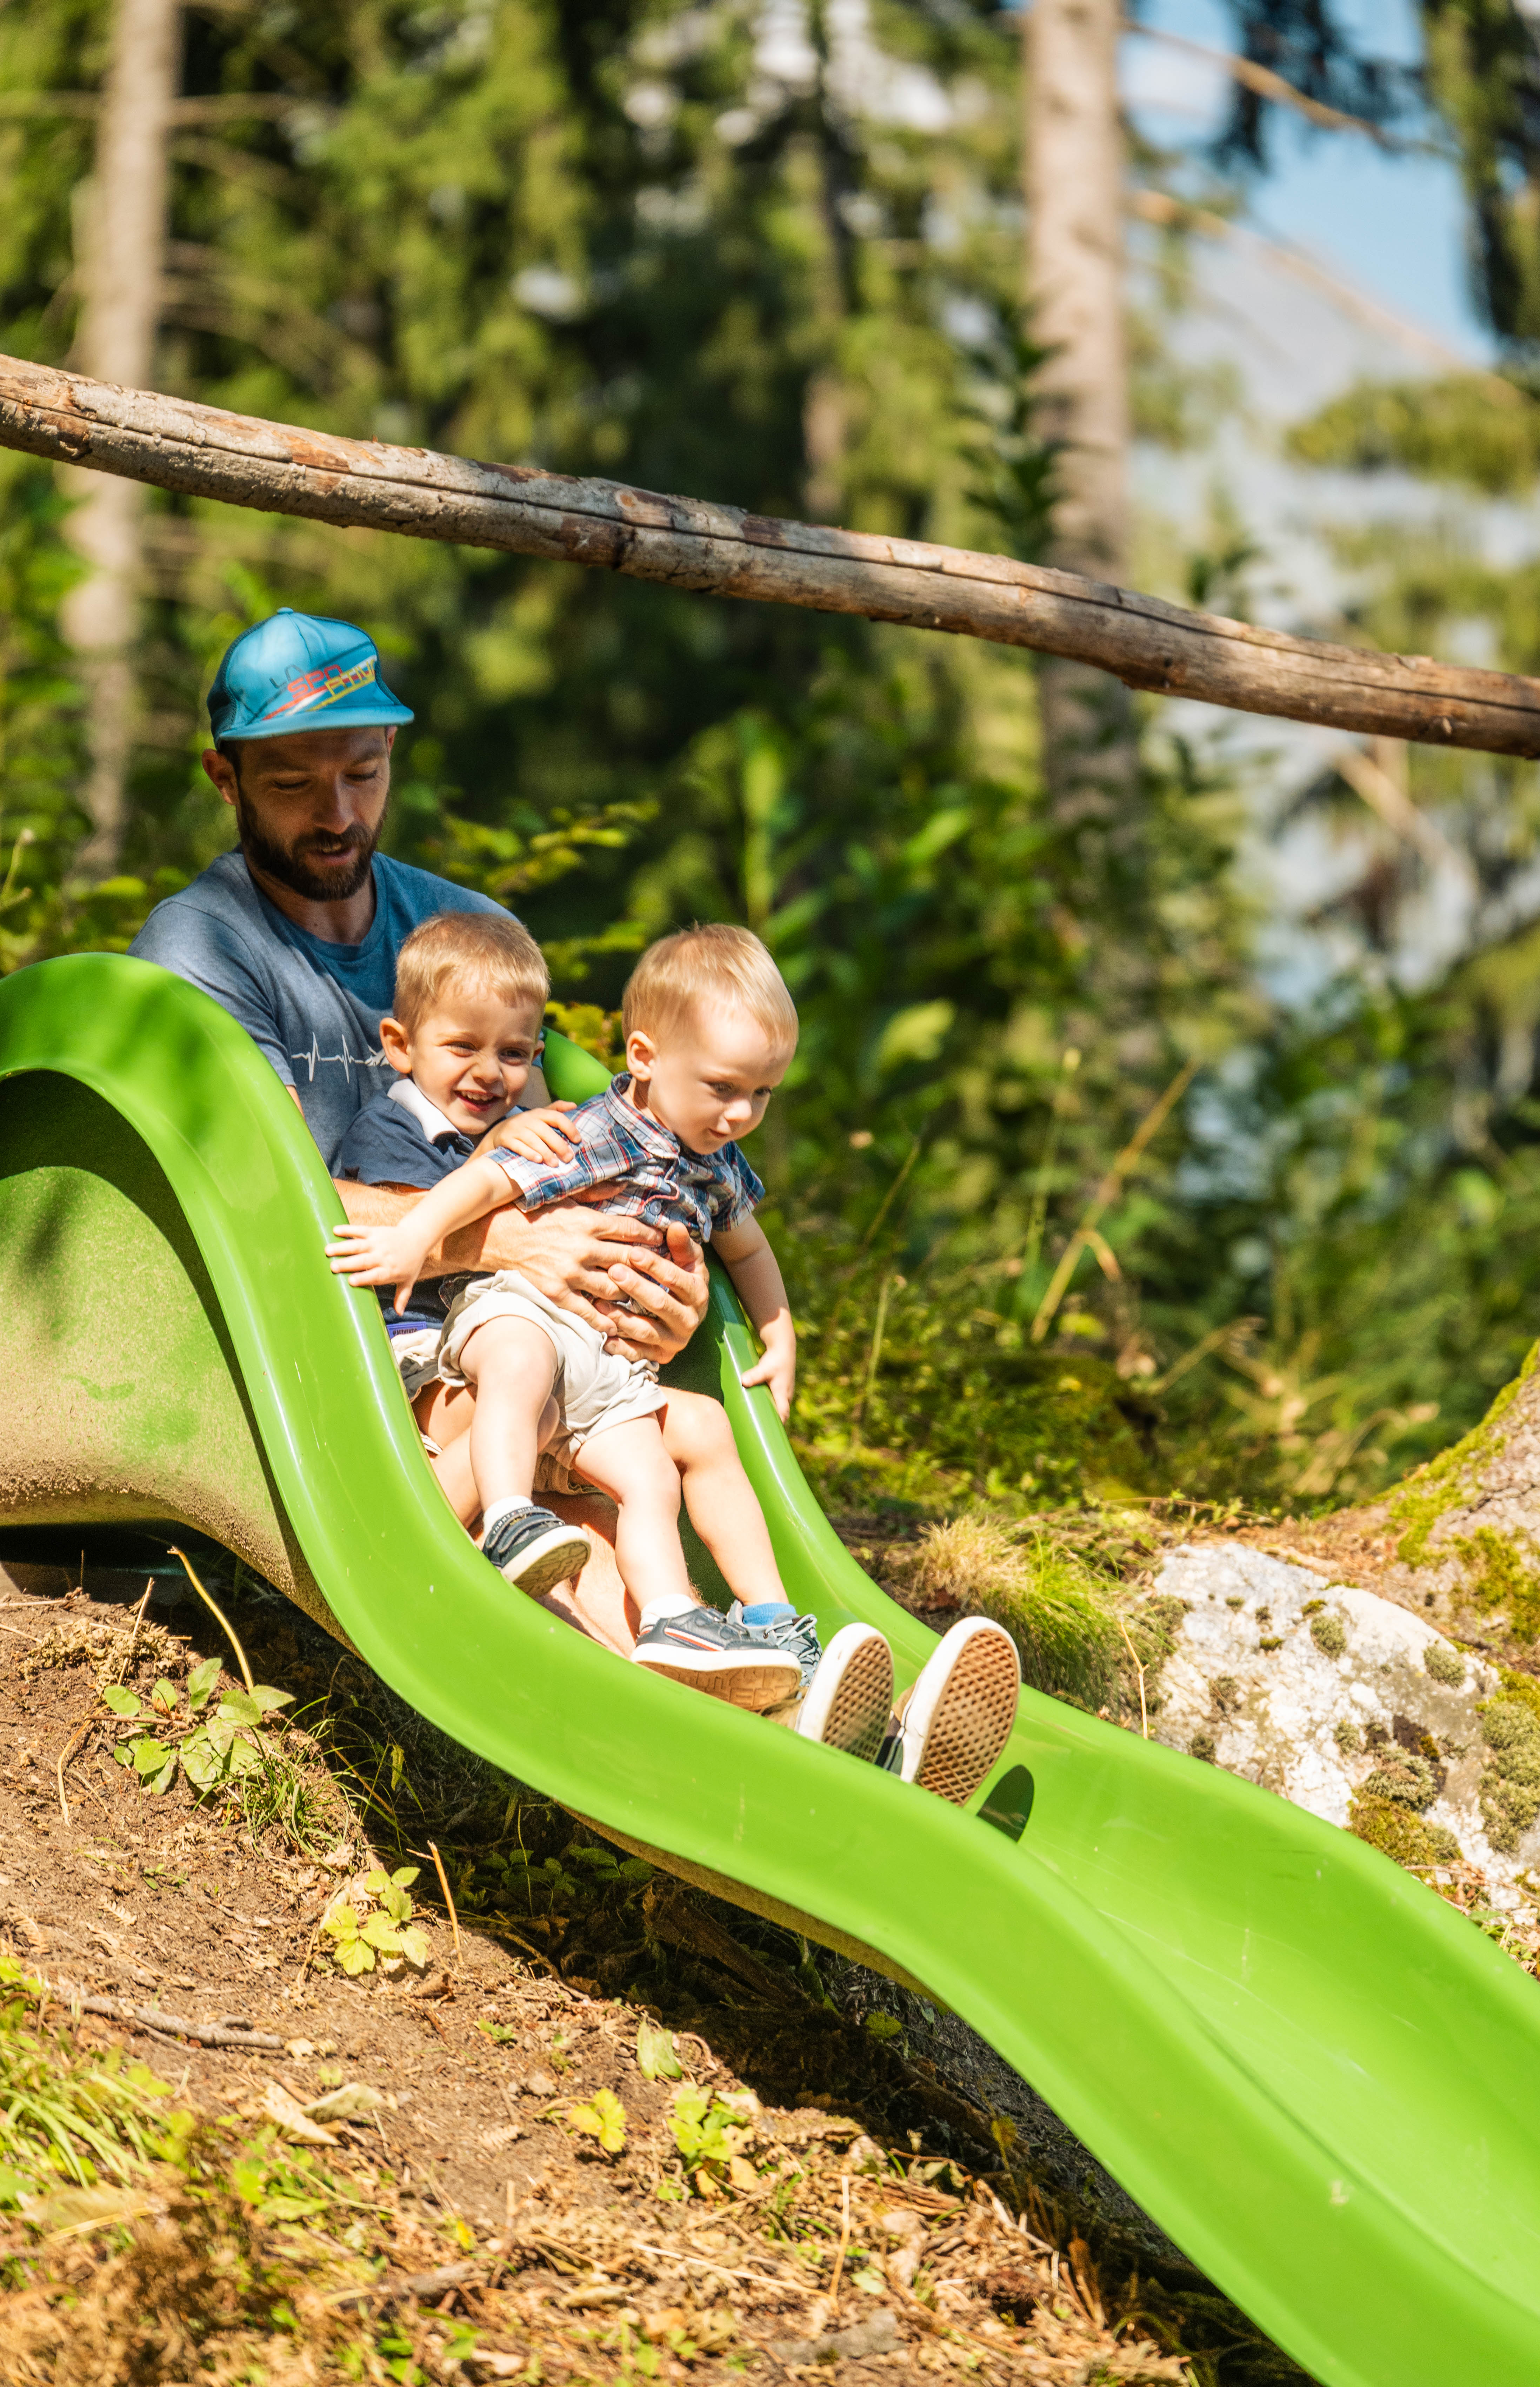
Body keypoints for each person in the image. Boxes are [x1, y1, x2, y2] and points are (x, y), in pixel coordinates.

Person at [129, 609, 1020, 1803]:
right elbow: (245, 1190)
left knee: (642, 1466)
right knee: (577, 1519)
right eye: (293, 781)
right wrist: (503, 1239)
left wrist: (658, 1267)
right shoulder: (202, 945)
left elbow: (551, 1148)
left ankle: (830, 1718)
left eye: (364, 772)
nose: (336, 811)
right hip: (336, 1333)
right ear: (225, 776)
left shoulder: (458, 929)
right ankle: (785, 1757)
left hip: (505, 1331)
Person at [325, 910, 1022, 1796]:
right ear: (400, 1044)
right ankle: (714, 1688)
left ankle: (792, 1682)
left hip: (582, 1376)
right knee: (561, 1446)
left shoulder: (586, 1131)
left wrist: (763, 1330)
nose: (494, 1074)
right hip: (450, 1373)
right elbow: (422, 1222)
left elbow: (732, 1249)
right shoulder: (459, 1136)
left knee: (680, 1445)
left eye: (518, 1054)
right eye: (467, 1047)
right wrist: (429, 1232)